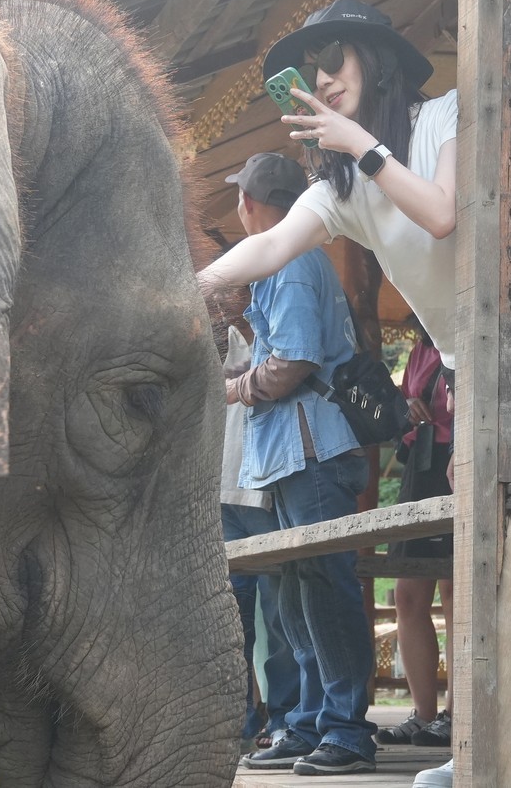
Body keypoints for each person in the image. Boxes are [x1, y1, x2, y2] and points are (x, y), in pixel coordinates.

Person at [196, 0, 511, 788]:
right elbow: (266, 248)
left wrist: (361, 145)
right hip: (475, 372)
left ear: (378, 60)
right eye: (311, 70)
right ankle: (489, 747)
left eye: (334, 59)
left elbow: (443, 214)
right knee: (487, 553)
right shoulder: (337, 189)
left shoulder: (443, 116)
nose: (321, 79)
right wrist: (181, 289)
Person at [224, 152, 378, 776]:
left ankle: (346, 730)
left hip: (312, 449)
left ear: (251, 204)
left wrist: (234, 388)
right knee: (297, 590)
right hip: (294, 453)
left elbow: (293, 360)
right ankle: (310, 722)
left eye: (239, 197)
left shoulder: (287, 263)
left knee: (324, 587)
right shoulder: (291, 261)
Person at [218, 320, 300, 755]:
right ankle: (239, 718)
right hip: (216, 492)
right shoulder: (211, 335)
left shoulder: (272, 329)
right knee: (230, 618)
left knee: (278, 613)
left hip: (263, 488)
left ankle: (284, 716)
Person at [377, 318, 453, 748]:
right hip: (420, 465)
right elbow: (404, 401)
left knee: (456, 589)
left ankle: (457, 713)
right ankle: (423, 713)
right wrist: (408, 405)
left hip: (457, 459)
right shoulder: (423, 345)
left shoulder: (465, 330)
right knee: (407, 593)